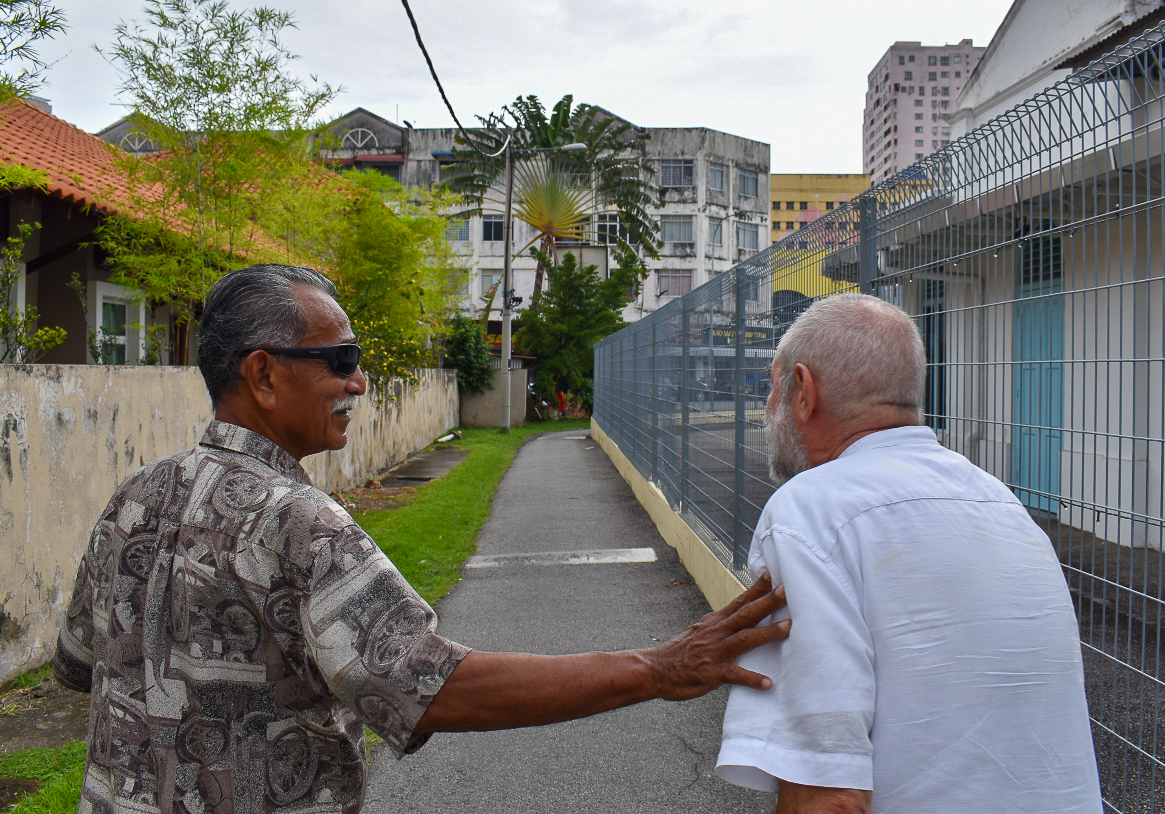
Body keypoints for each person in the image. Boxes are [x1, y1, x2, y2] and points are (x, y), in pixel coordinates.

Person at [54, 264, 788, 814]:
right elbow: (433, 687)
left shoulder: (136, 493)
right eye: (340, 360)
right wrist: (656, 668)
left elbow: (80, 660)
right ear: (264, 375)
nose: (360, 382)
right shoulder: (297, 522)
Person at [715, 293, 1101, 814]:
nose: (767, 408)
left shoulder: (809, 513)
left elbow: (829, 796)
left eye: (772, 386)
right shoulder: (1004, 504)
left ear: (803, 392)